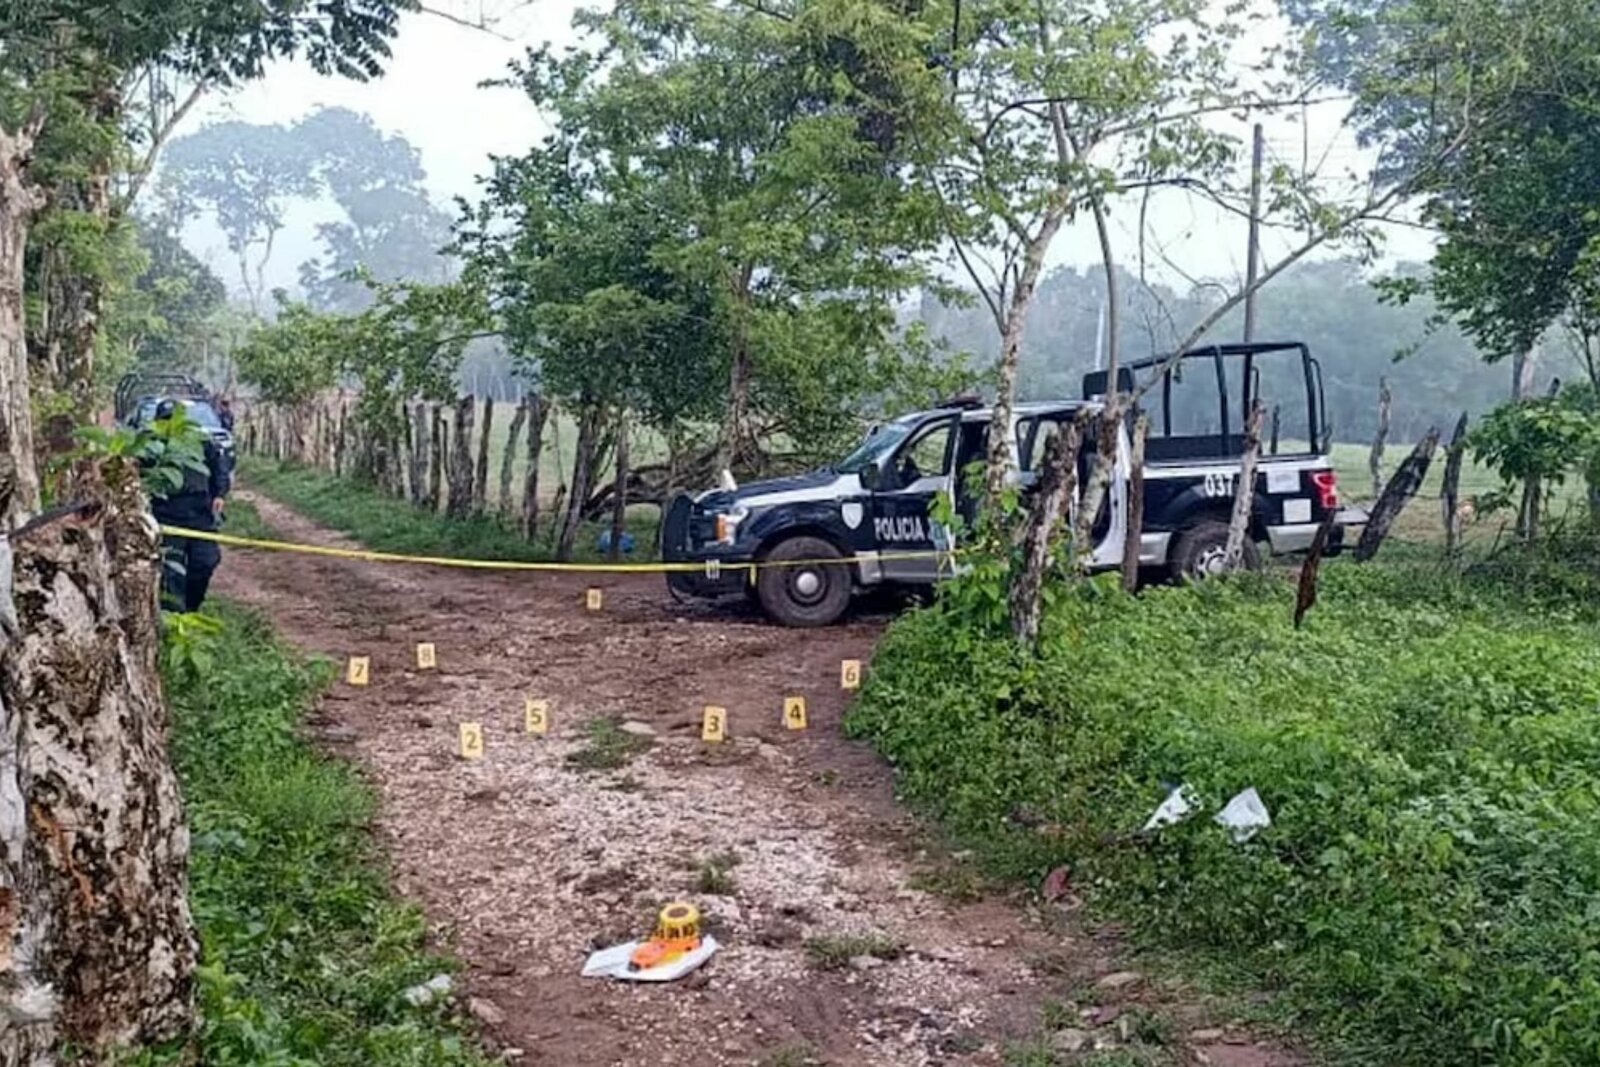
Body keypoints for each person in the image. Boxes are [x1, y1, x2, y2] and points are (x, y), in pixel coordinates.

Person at [149, 398, 231, 612]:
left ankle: (191, 607)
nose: (169, 425)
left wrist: (219, 494)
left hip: (200, 513)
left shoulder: (200, 441)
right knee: (170, 571)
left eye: (173, 419)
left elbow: (219, 468)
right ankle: (175, 615)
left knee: (205, 562)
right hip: (165, 514)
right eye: (164, 420)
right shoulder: (150, 445)